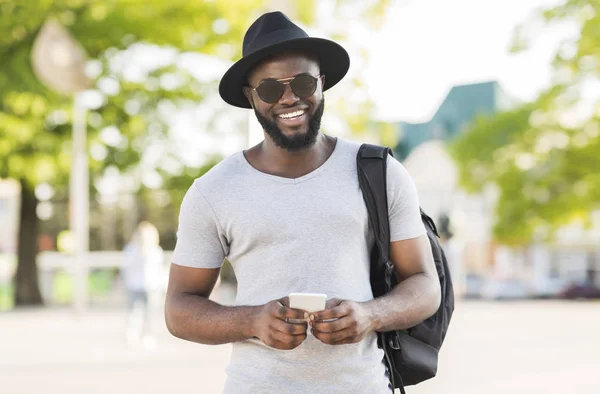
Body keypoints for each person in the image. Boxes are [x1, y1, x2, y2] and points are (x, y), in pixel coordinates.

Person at [165, 11, 441, 393]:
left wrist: (369, 314)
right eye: (270, 89)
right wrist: (252, 321)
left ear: (322, 83)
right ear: (250, 97)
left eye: (303, 81)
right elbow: (179, 309)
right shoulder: (213, 191)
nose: (290, 97)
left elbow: (426, 285)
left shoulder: (381, 172)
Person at [121, 221, 165, 349]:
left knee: (151, 312)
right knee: (134, 311)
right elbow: (125, 266)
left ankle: (149, 335)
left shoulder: (156, 250)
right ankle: (132, 333)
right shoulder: (131, 249)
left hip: (152, 286)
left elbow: (158, 269)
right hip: (135, 286)